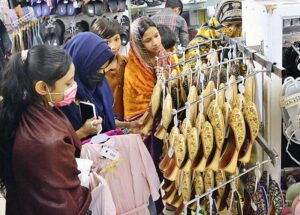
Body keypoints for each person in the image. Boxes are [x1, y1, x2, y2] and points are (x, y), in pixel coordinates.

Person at [0, 45, 92, 214]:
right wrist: (88, 187)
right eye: (68, 83)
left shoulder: (34, 108)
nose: (74, 86)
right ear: (42, 88)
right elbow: (61, 205)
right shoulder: (45, 141)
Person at [124, 16, 169, 214]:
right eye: (148, 40)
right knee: (151, 172)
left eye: (156, 36)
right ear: (138, 43)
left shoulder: (164, 56)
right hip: (146, 130)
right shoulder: (134, 70)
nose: (156, 42)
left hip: (165, 124)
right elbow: (139, 108)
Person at [62, 32, 139, 139]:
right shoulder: (63, 97)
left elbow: (108, 122)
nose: (102, 73)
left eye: (104, 69)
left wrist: (127, 126)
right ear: (81, 64)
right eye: (97, 69)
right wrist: (83, 132)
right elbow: (58, 144)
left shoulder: (99, 86)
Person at [91, 17, 127, 120]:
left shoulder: (127, 62)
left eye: (116, 39)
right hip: (107, 125)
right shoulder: (93, 72)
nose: (113, 46)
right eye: (107, 42)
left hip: (130, 120)